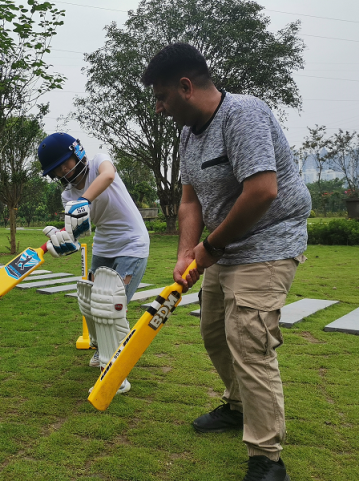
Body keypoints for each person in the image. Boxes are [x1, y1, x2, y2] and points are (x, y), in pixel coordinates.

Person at [140, 43, 310, 481]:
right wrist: (185, 252)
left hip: (270, 242)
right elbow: (190, 201)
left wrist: (208, 250)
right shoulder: (187, 134)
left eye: (161, 97)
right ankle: (237, 408)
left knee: (248, 340)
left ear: (186, 86)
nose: (159, 108)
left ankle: (267, 457)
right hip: (224, 247)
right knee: (214, 330)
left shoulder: (244, 114)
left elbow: (263, 191)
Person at [37, 132, 150, 394]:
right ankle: (103, 351)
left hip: (132, 243)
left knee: (110, 305)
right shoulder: (67, 197)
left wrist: (83, 201)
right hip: (104, 244)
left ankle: (116, 375)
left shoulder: (99, 162)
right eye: (57, 170)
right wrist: (61, 239)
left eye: (64, 163)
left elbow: (108, 176)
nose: (64, 171)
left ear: (76, 153)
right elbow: (78, 232)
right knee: (89, 300)